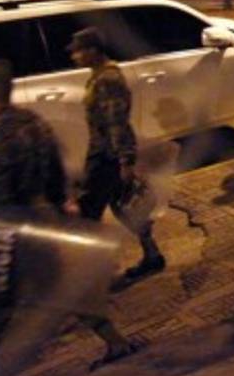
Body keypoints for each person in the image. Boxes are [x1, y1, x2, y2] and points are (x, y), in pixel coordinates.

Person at [0, 60, 137, 374]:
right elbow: (57, 175)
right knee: (65, 287)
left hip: (12, 233)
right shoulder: (34, 122)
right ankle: (115, 341)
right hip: (44, 223)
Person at [67, 28, 166, 284]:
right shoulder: (99, 76)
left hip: (107, 157)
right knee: (125, 209)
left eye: (78, 51)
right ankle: (152, 256)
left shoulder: (107, 80)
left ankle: (99, 273)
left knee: (89, 213)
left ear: (93, 51)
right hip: (107, 153)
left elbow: (116, 123)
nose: (74, 57)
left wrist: (125, 161)